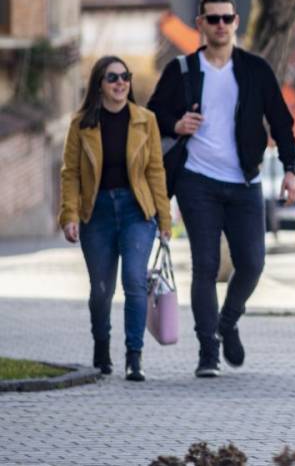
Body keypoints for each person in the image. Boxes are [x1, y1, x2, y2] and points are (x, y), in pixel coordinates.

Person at [147, 0, 295, 378]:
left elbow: (281, 121)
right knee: (205, 266)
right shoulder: (181, 70)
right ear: (199, 24)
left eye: (226, 19)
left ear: (235, 22)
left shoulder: (255, 70)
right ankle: (207, 351)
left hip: (244, 181)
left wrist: (291, 168)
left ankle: (228, 321)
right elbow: (150, 118)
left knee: (252, 263)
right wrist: (176, 124)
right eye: (211, 19)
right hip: (197, 181)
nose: (219, 25)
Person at [59, 56, 172, 382]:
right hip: (98, 214)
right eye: (112, 78)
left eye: (125, 77)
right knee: (101, 290)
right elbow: (70, 175)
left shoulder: (144, 120)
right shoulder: (81, 124)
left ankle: (133, 358)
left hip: (137, 210)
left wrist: (164, 220)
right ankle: (101, 348)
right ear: (99, 85)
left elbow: (155, 171)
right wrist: (69, 215)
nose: (121, 83)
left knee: (135, 281)